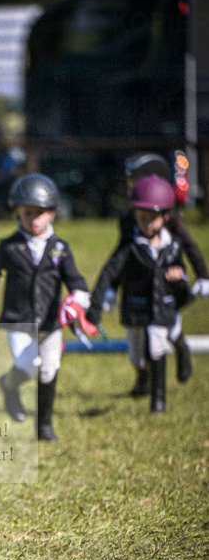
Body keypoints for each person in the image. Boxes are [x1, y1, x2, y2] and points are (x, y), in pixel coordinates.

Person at [0, 174, 91, 441]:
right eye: (27, 213)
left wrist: (79, 297)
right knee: (27, 365)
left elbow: (75, 279)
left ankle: (44, 426)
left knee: (48, 369)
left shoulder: (60, 248)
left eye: (40, 213)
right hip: (18, 320)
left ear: (53, 213)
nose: (34, 219)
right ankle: (8, 385)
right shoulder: (9, 246)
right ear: (18, 213)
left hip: (50, 322)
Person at [87, 174, 191, 413]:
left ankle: (158, 402)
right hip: (136, 305)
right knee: (137, 357)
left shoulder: (173, 244)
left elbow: (181, 270)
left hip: (164, 305)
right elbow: (109, 272)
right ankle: (143, 377)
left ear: (165, 217)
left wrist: (179, 276)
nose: (147, 224)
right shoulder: (130, 244)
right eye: (142, 218)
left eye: (153, 219)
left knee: (161, 339)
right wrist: (98, 303)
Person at [117, 154, 209, 390]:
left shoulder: (170, 218)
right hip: (139, 283)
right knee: (138, 336)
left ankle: (181, 347)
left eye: (133, 184)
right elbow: (120, 257)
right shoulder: (129, 220)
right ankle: (143, 376)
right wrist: (112, 286)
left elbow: (190, 246)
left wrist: (203, 276)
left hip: (166, 282)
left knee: (169, 327)